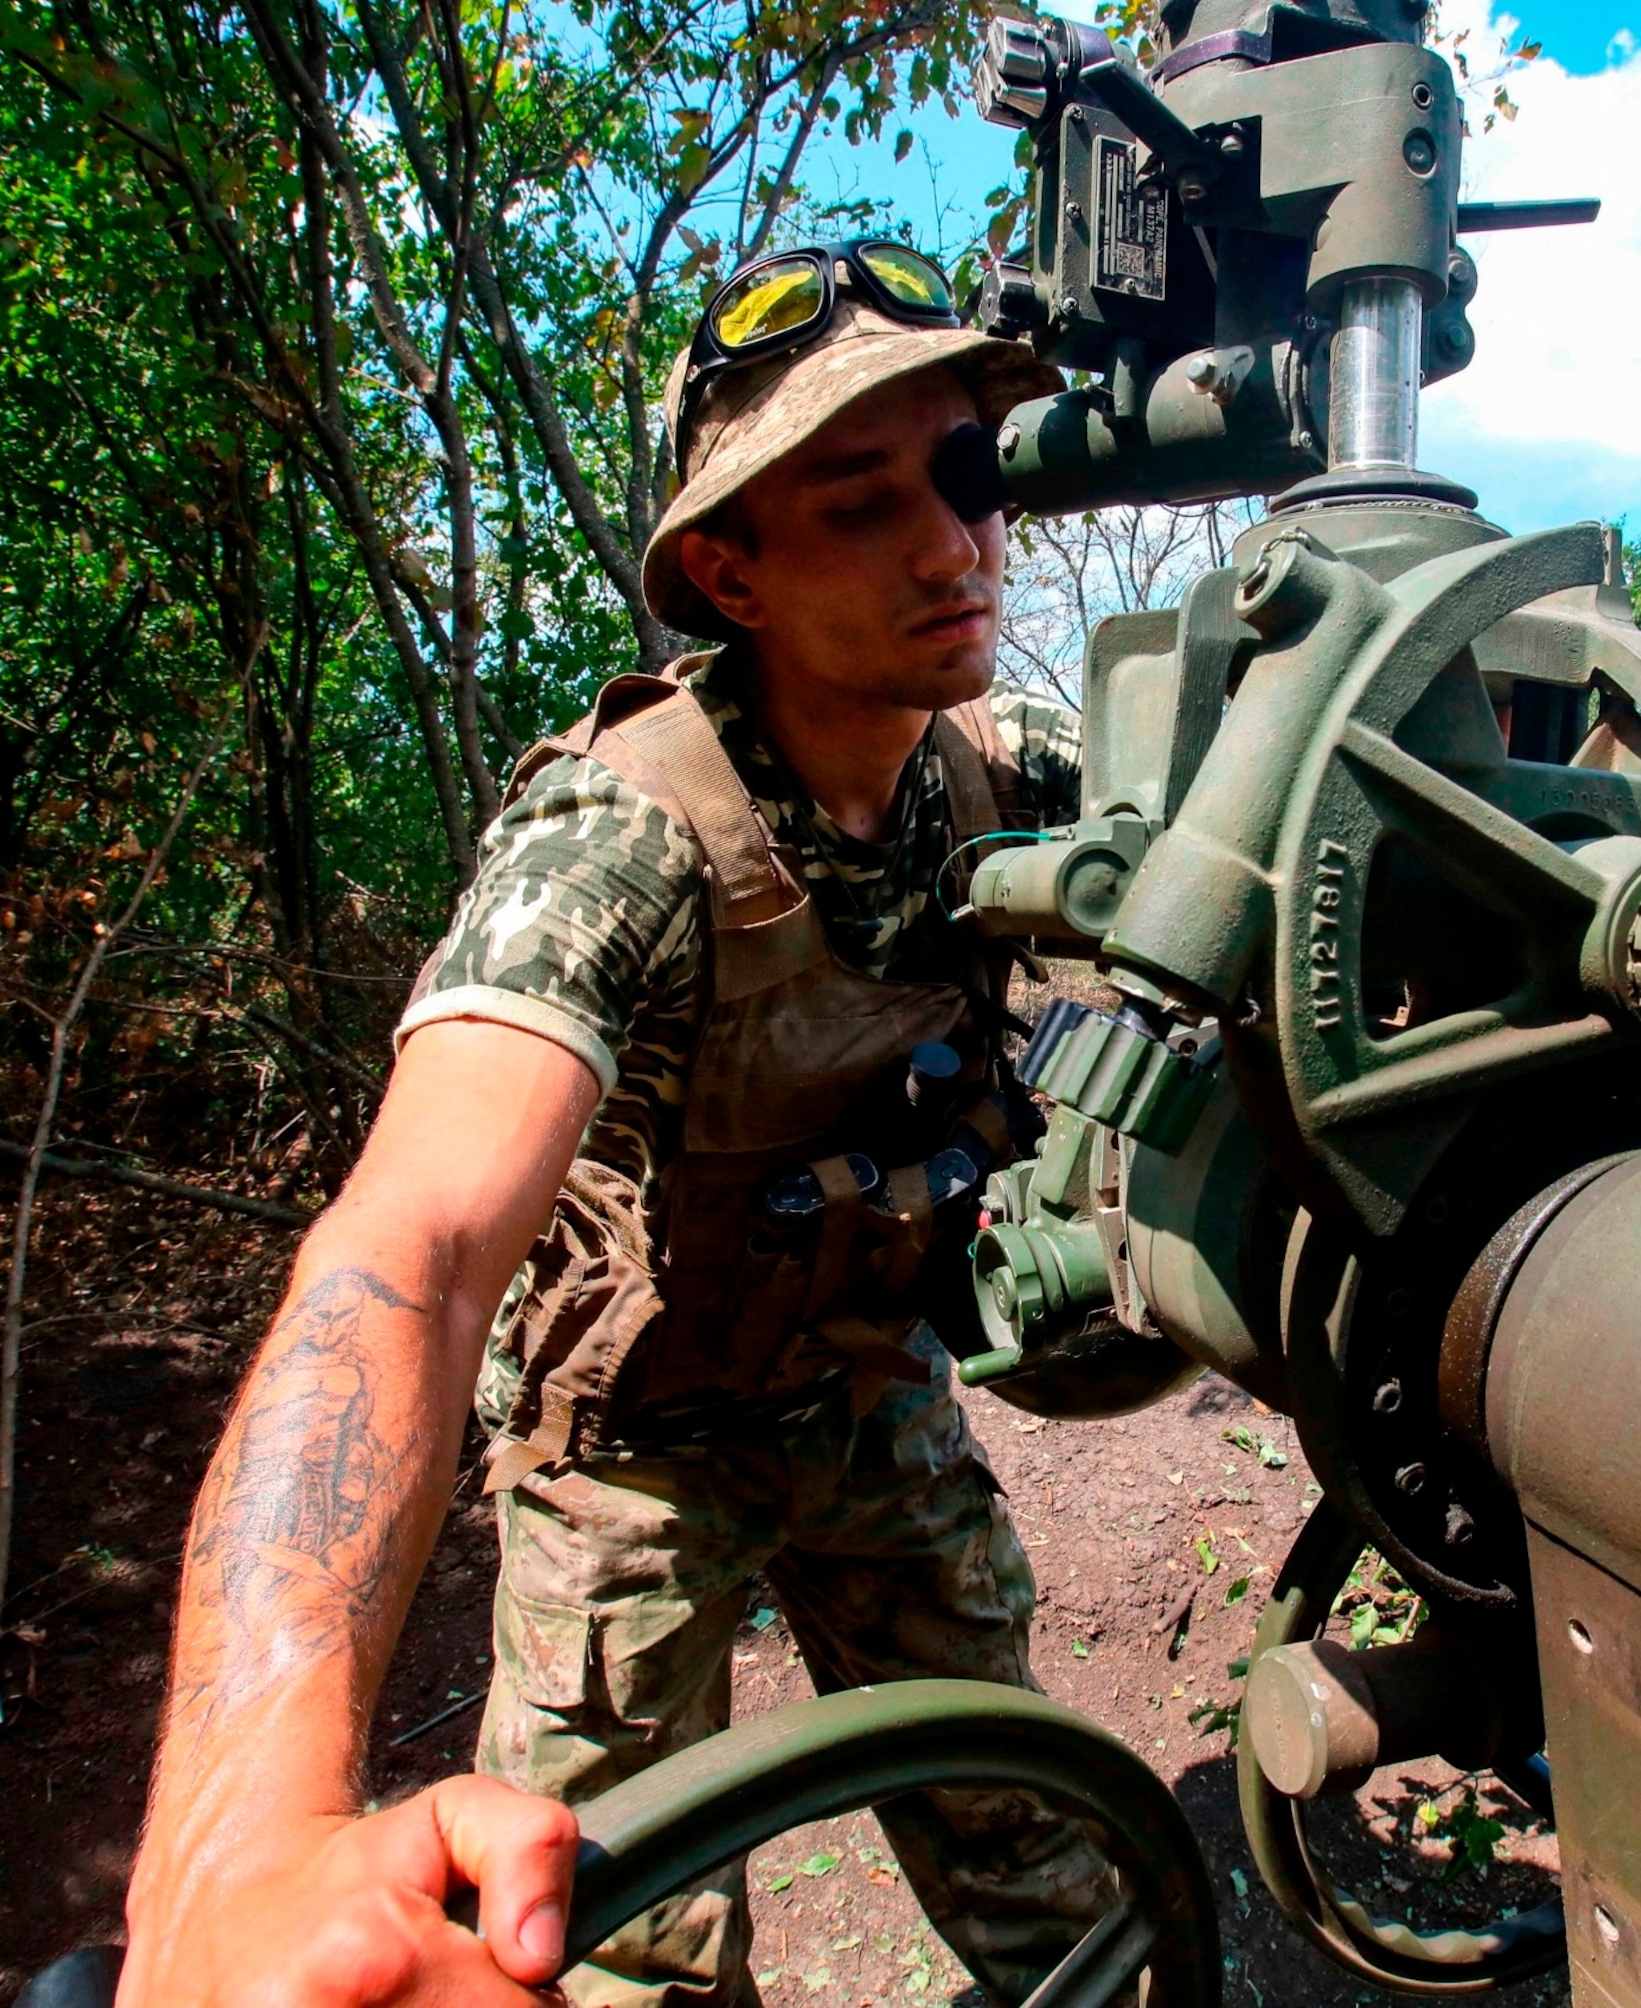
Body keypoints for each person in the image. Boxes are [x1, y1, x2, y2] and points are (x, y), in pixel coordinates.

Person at [115, 240, 1120, 2007]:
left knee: (1042, 1857)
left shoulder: (1004, 767)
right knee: (606, 1950)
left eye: (967, 472)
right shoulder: (624, 836)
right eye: (859, 497)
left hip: (873, 1392)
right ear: (725, 571)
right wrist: (235, 1853)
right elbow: (408, 1250)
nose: (953, 542)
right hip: (637, 1458)